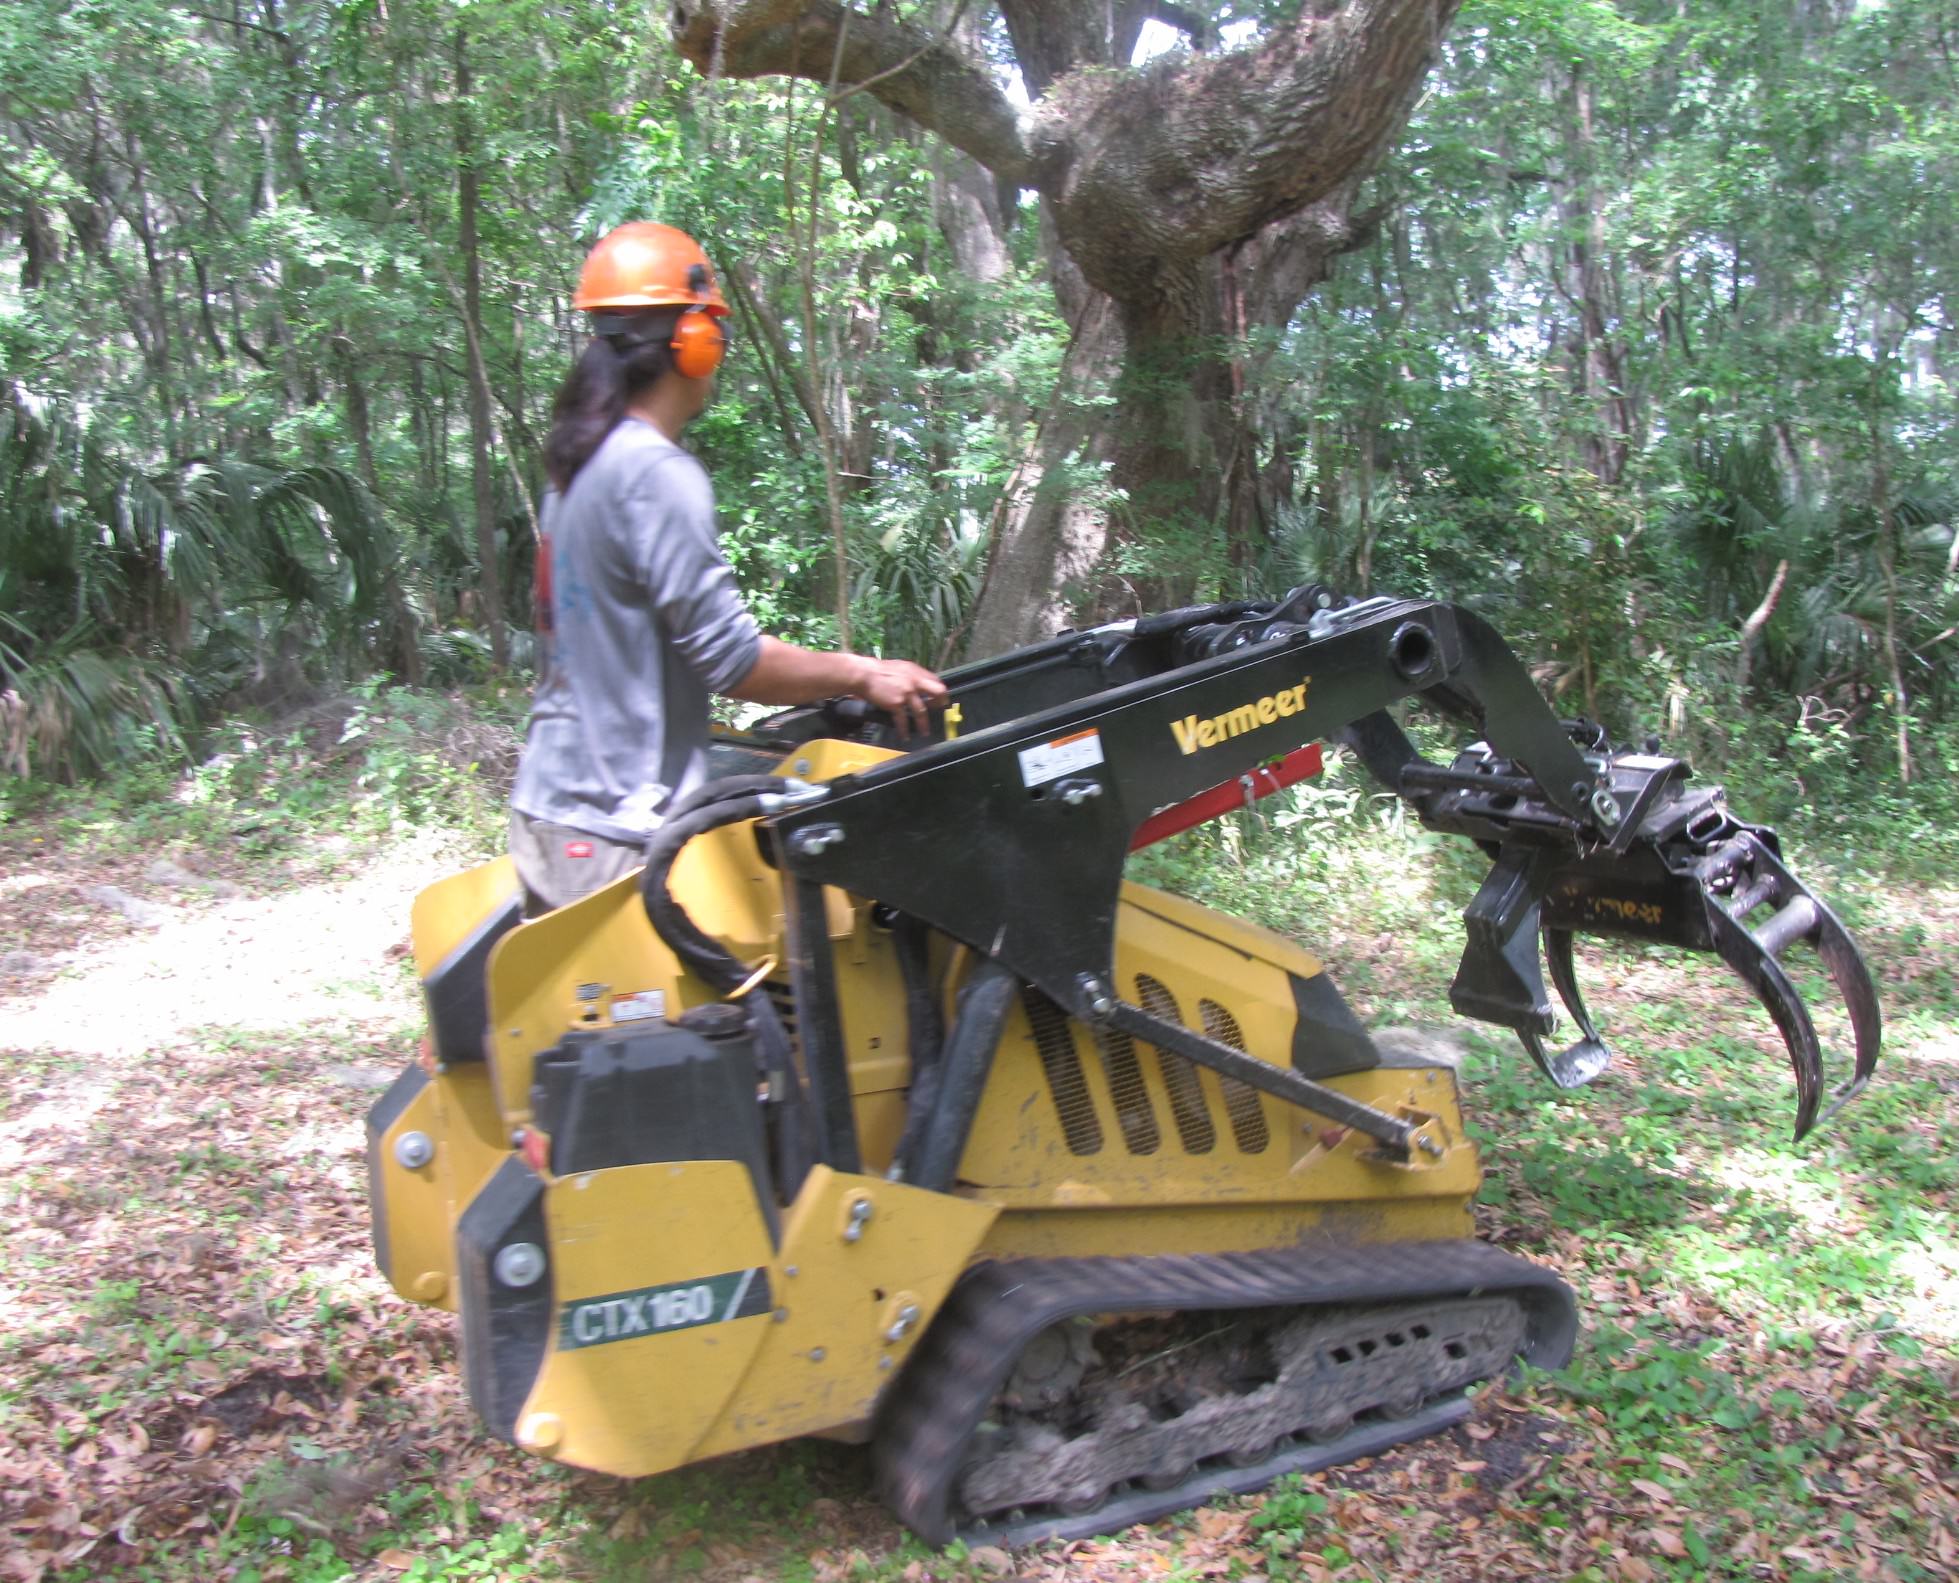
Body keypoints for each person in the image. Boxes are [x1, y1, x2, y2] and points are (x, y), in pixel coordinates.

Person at [509, 222, 947, 916]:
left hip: (549, 806)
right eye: (715, 329)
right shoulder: (654, 471)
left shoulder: (577, 469)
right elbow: (731, 661)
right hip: (614, 827)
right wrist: (864, 672)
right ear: (695, 342)